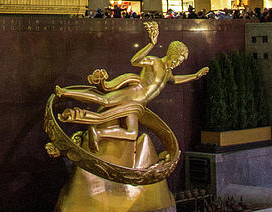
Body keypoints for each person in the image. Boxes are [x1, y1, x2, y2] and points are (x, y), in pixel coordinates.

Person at [56, 21, 208, 151]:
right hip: (135, 93)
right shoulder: (155, 62)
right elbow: (135, 60)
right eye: (177, 59)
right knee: (104, 100)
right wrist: (151, 44)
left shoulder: (168, 73)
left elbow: (175, 80)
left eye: (180, 62)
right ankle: (64, 92)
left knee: (132, 133)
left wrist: (194, 76)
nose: (177, 63)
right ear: (171, 53)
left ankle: (99, 134)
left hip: (139, 104)